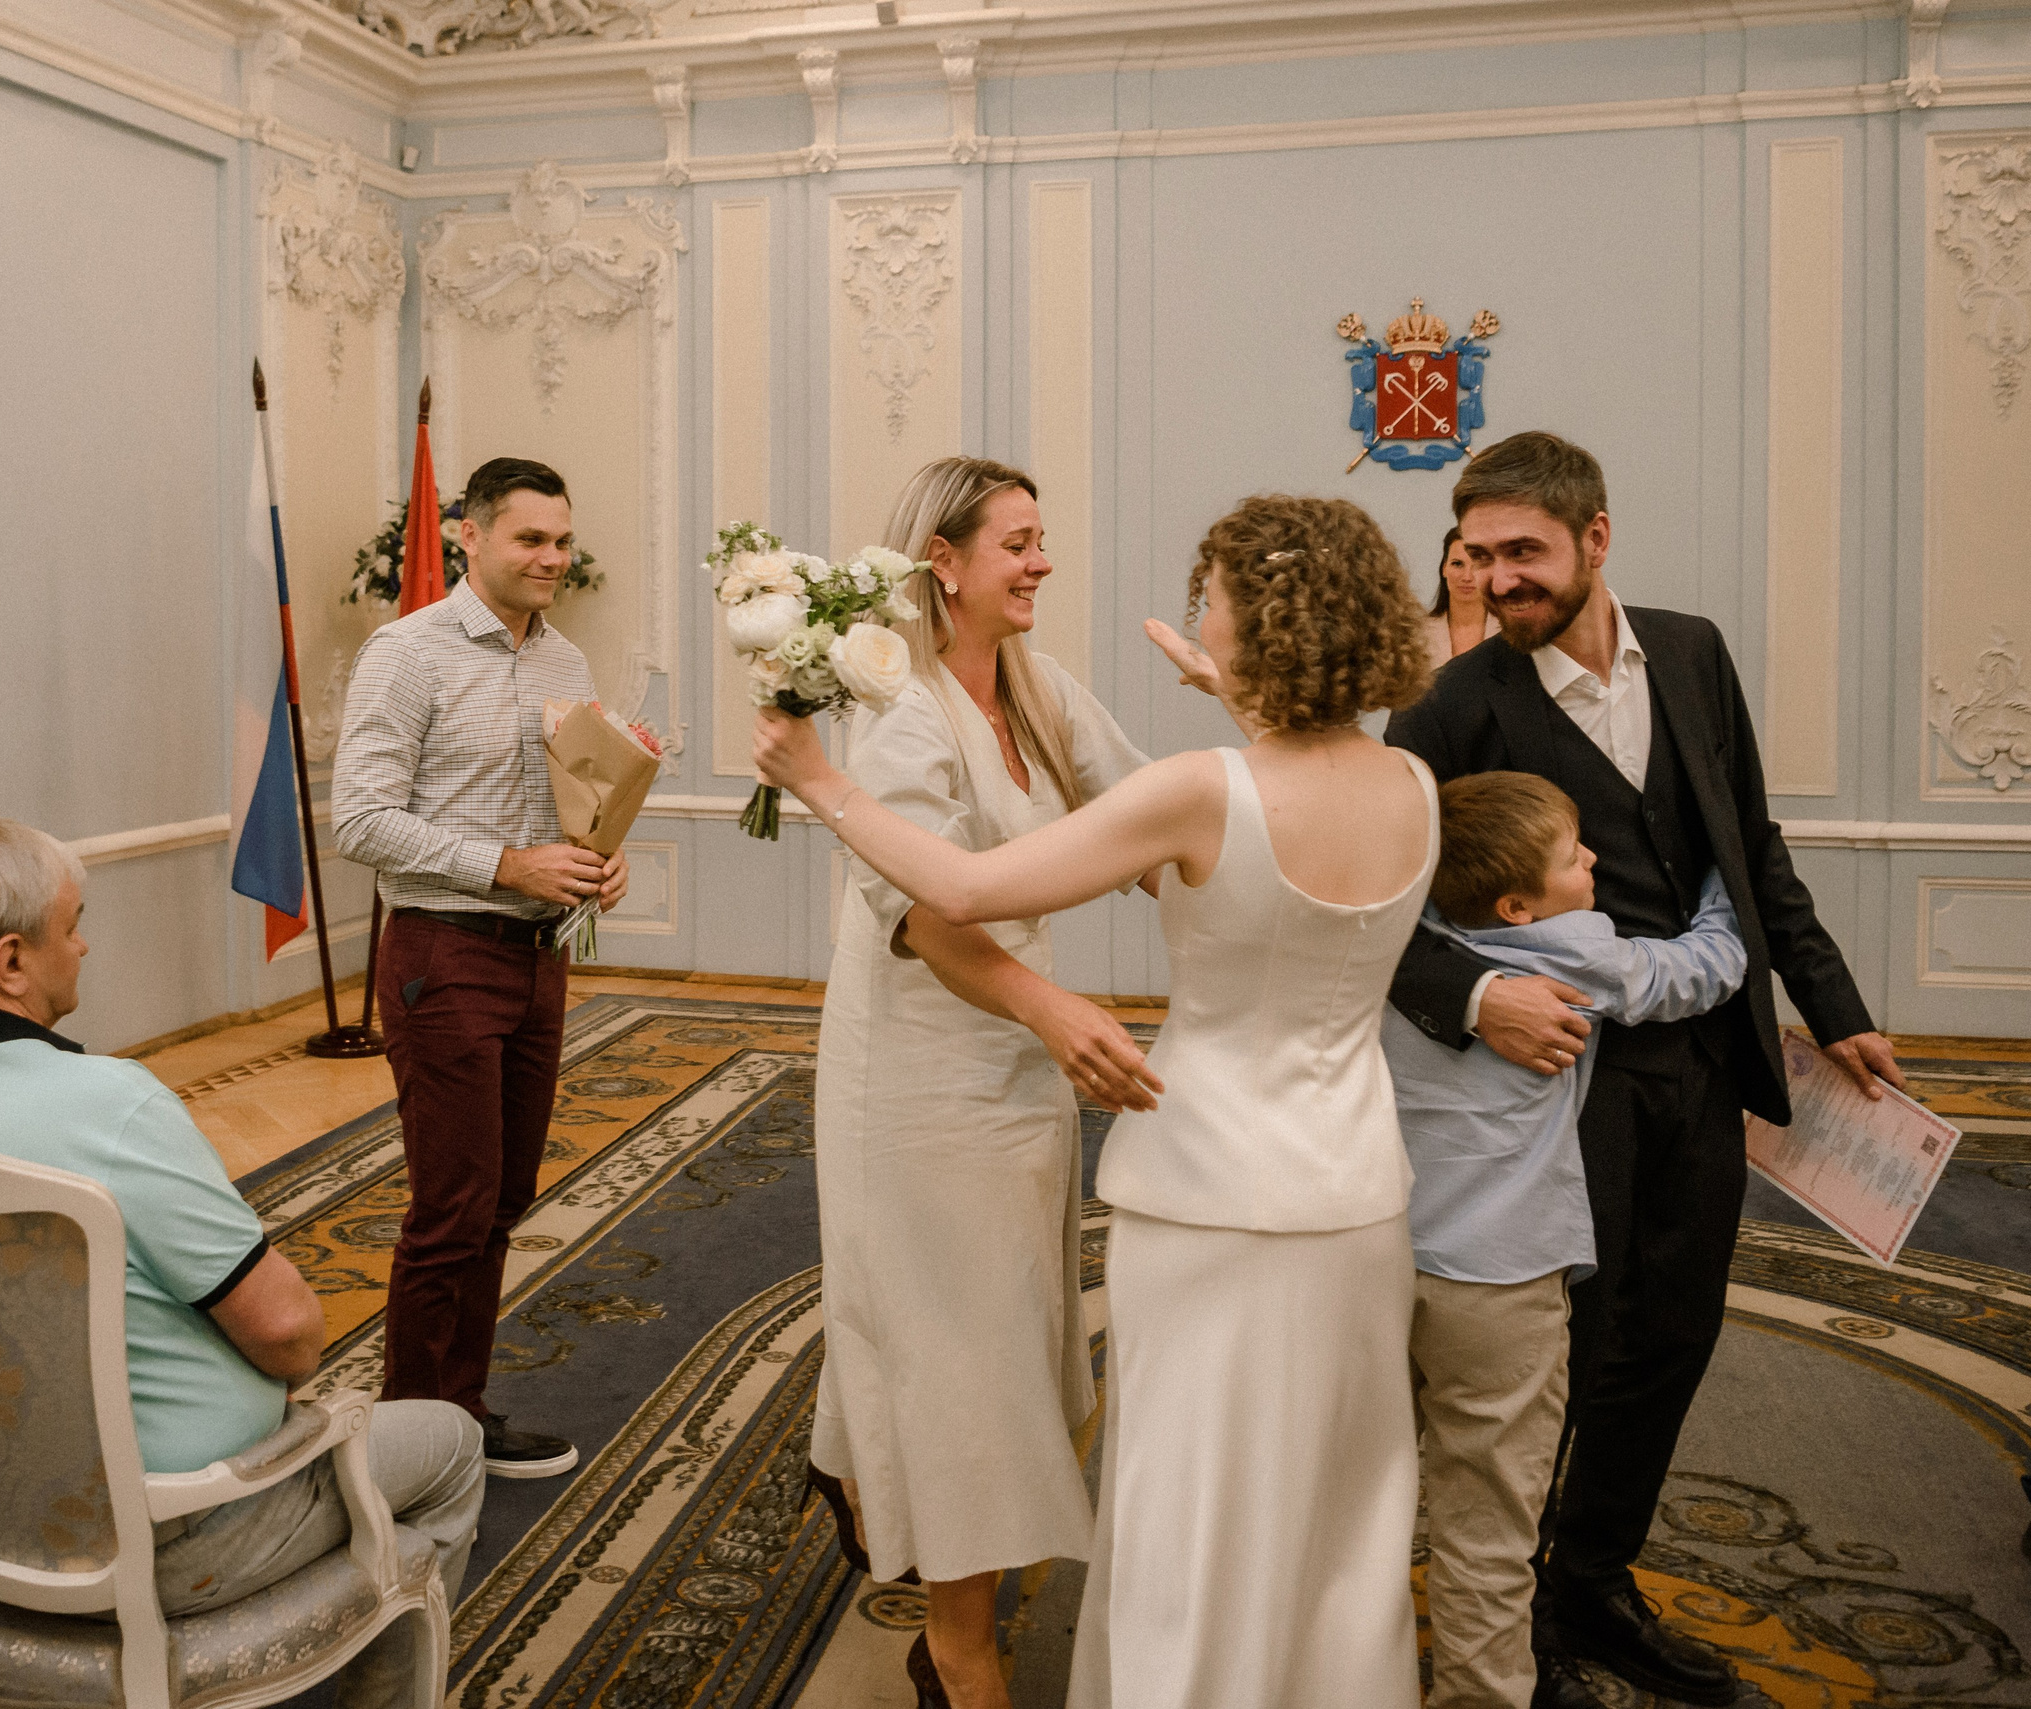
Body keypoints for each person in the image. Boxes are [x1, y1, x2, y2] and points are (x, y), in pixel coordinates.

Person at [756, 494, 1440, 1708]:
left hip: (1212, 1198)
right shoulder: (1412, 785)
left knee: (1190, 1503)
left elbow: (965, 885)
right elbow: (1274, 791)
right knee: (1335, 1502)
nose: (1195, 619)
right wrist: (1229, 687)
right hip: (1357, 1197)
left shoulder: (1192, 788)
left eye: (1209, 602)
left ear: (1260, 626)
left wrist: (820, 783)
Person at [1384, 430, 1901, 1706]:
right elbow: (1370, 903)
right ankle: (1518, 1631)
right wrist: (1480, 995)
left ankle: (1596, 1582)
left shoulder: (1693, 649)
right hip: (1562, 1080)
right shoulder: (1453, 707)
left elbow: (1749, 840)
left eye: (1525, 553)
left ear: (1595, 537)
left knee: (1672, 1330)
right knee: (1577, 1340)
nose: (1498, 580)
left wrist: (1832, 1001)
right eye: (1479, 555)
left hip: (1708, 1062)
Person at [0, 816, 482, 1709]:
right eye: (74, 924)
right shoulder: (111, 1104)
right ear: (11, 961)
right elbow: (292, 1339)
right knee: (451, 1441)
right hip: (175, 1531)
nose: (87, 943)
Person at [804, 457, 1162, 1709]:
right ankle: (955, 1645)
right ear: (942, 562)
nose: (1042, 562)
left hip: (1018, 1059)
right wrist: (1057, 1008)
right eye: (1017, 541)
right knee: (966, 1349)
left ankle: (847, 1446)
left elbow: (1148, 814)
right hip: (915, 1068)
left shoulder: (1038, 683)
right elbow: (924, 920)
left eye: (1042, 538)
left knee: (1003, 1318)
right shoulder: (897, 717)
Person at [1383, 773, 1747, 1709]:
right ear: (1517, 904)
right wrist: (1724, 891)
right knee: (1490, 1523)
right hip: (1503, 1278)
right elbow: (1701, 969)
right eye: (1573, 854)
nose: (1594, 860)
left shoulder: (1402, 942)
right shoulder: (1578, 952)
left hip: (1378, 1257)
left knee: (1368, 1503)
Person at [331, 456, 627, 1478]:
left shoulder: (566, 667)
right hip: (439, 956)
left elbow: (569, 803)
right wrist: (508, 864)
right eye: (529, 539)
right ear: (470, 535)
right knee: (450, 1204)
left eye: (561, 538)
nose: (552, 556)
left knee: (502, 1195)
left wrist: (596, 857)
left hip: (536, 958)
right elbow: (359, 819)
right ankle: (408, 1439)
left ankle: (458, 1412)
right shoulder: (404, 655)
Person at [1426, 524, 1494, 668]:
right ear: (1444, 568)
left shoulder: (1512, 633)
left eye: (1476, 565)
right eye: (1457, 564)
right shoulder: (1418, 633)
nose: (1467, 577)